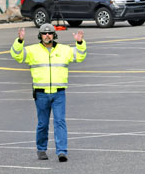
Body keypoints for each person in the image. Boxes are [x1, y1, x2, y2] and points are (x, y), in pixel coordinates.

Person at [10, 23, 87, 162]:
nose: (47, 35)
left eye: (50, 33)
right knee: (42, 123)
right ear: (40, 35)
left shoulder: (64, 50)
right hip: (41, 94)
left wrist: (80, 42)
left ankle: (62, 151)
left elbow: (80, 56)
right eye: (44, 33)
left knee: (60, 122)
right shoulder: (33, 50)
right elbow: (17, 55)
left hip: (59, 93)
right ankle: (41, 149)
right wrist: (20, 41)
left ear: (54, 35)